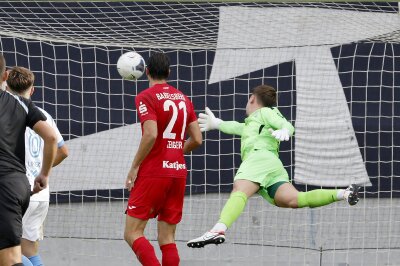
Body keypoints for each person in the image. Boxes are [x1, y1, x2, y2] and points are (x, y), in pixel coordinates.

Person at [187, 84, 361, 248]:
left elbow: (286, 125)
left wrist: (286, 130)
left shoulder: (266, 112)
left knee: (239, 190)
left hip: (259, 159)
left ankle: (218, 229)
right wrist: (217, 123)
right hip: (272, 168)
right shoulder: (255, 123)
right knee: (295, 199)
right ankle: (343, 193)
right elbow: (237, 127)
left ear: (252, 99)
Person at [124, 52, 202, 265]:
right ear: (169, 72)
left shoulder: (145, 97)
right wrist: (175, 151)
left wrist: (134, 166)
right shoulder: (184, 99)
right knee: (167, 237)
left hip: (154, 172)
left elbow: (151, 134)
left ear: (146, 71)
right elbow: (197, 139)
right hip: (177, 172)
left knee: (133, 233)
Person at [6, 66, 69, 266]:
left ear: (5, 85)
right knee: (30, 250)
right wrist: (43, 173)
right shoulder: (43, 115)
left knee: (8, 252)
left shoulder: (7, 111)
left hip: (15, 190)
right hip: (40, 193)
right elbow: (63, 151)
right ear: (32, 90)